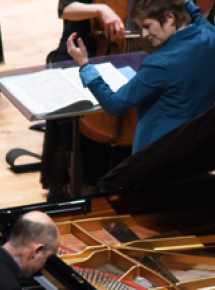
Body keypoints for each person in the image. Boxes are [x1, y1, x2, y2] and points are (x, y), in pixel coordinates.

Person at [67, 0, 215, 153]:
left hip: (155, 156)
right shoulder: (212, 36)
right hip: (197, 148)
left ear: (170, 18)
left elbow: (113, 104)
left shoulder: (160, 63)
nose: (144, 34)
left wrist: (85, 65)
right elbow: (195, 13)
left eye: (148, 26)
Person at [40, 0, 127, 201]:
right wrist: (100, 10)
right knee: (68, 107)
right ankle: (59, 181)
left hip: (121, 48)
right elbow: (65, 9)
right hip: (79, 45)